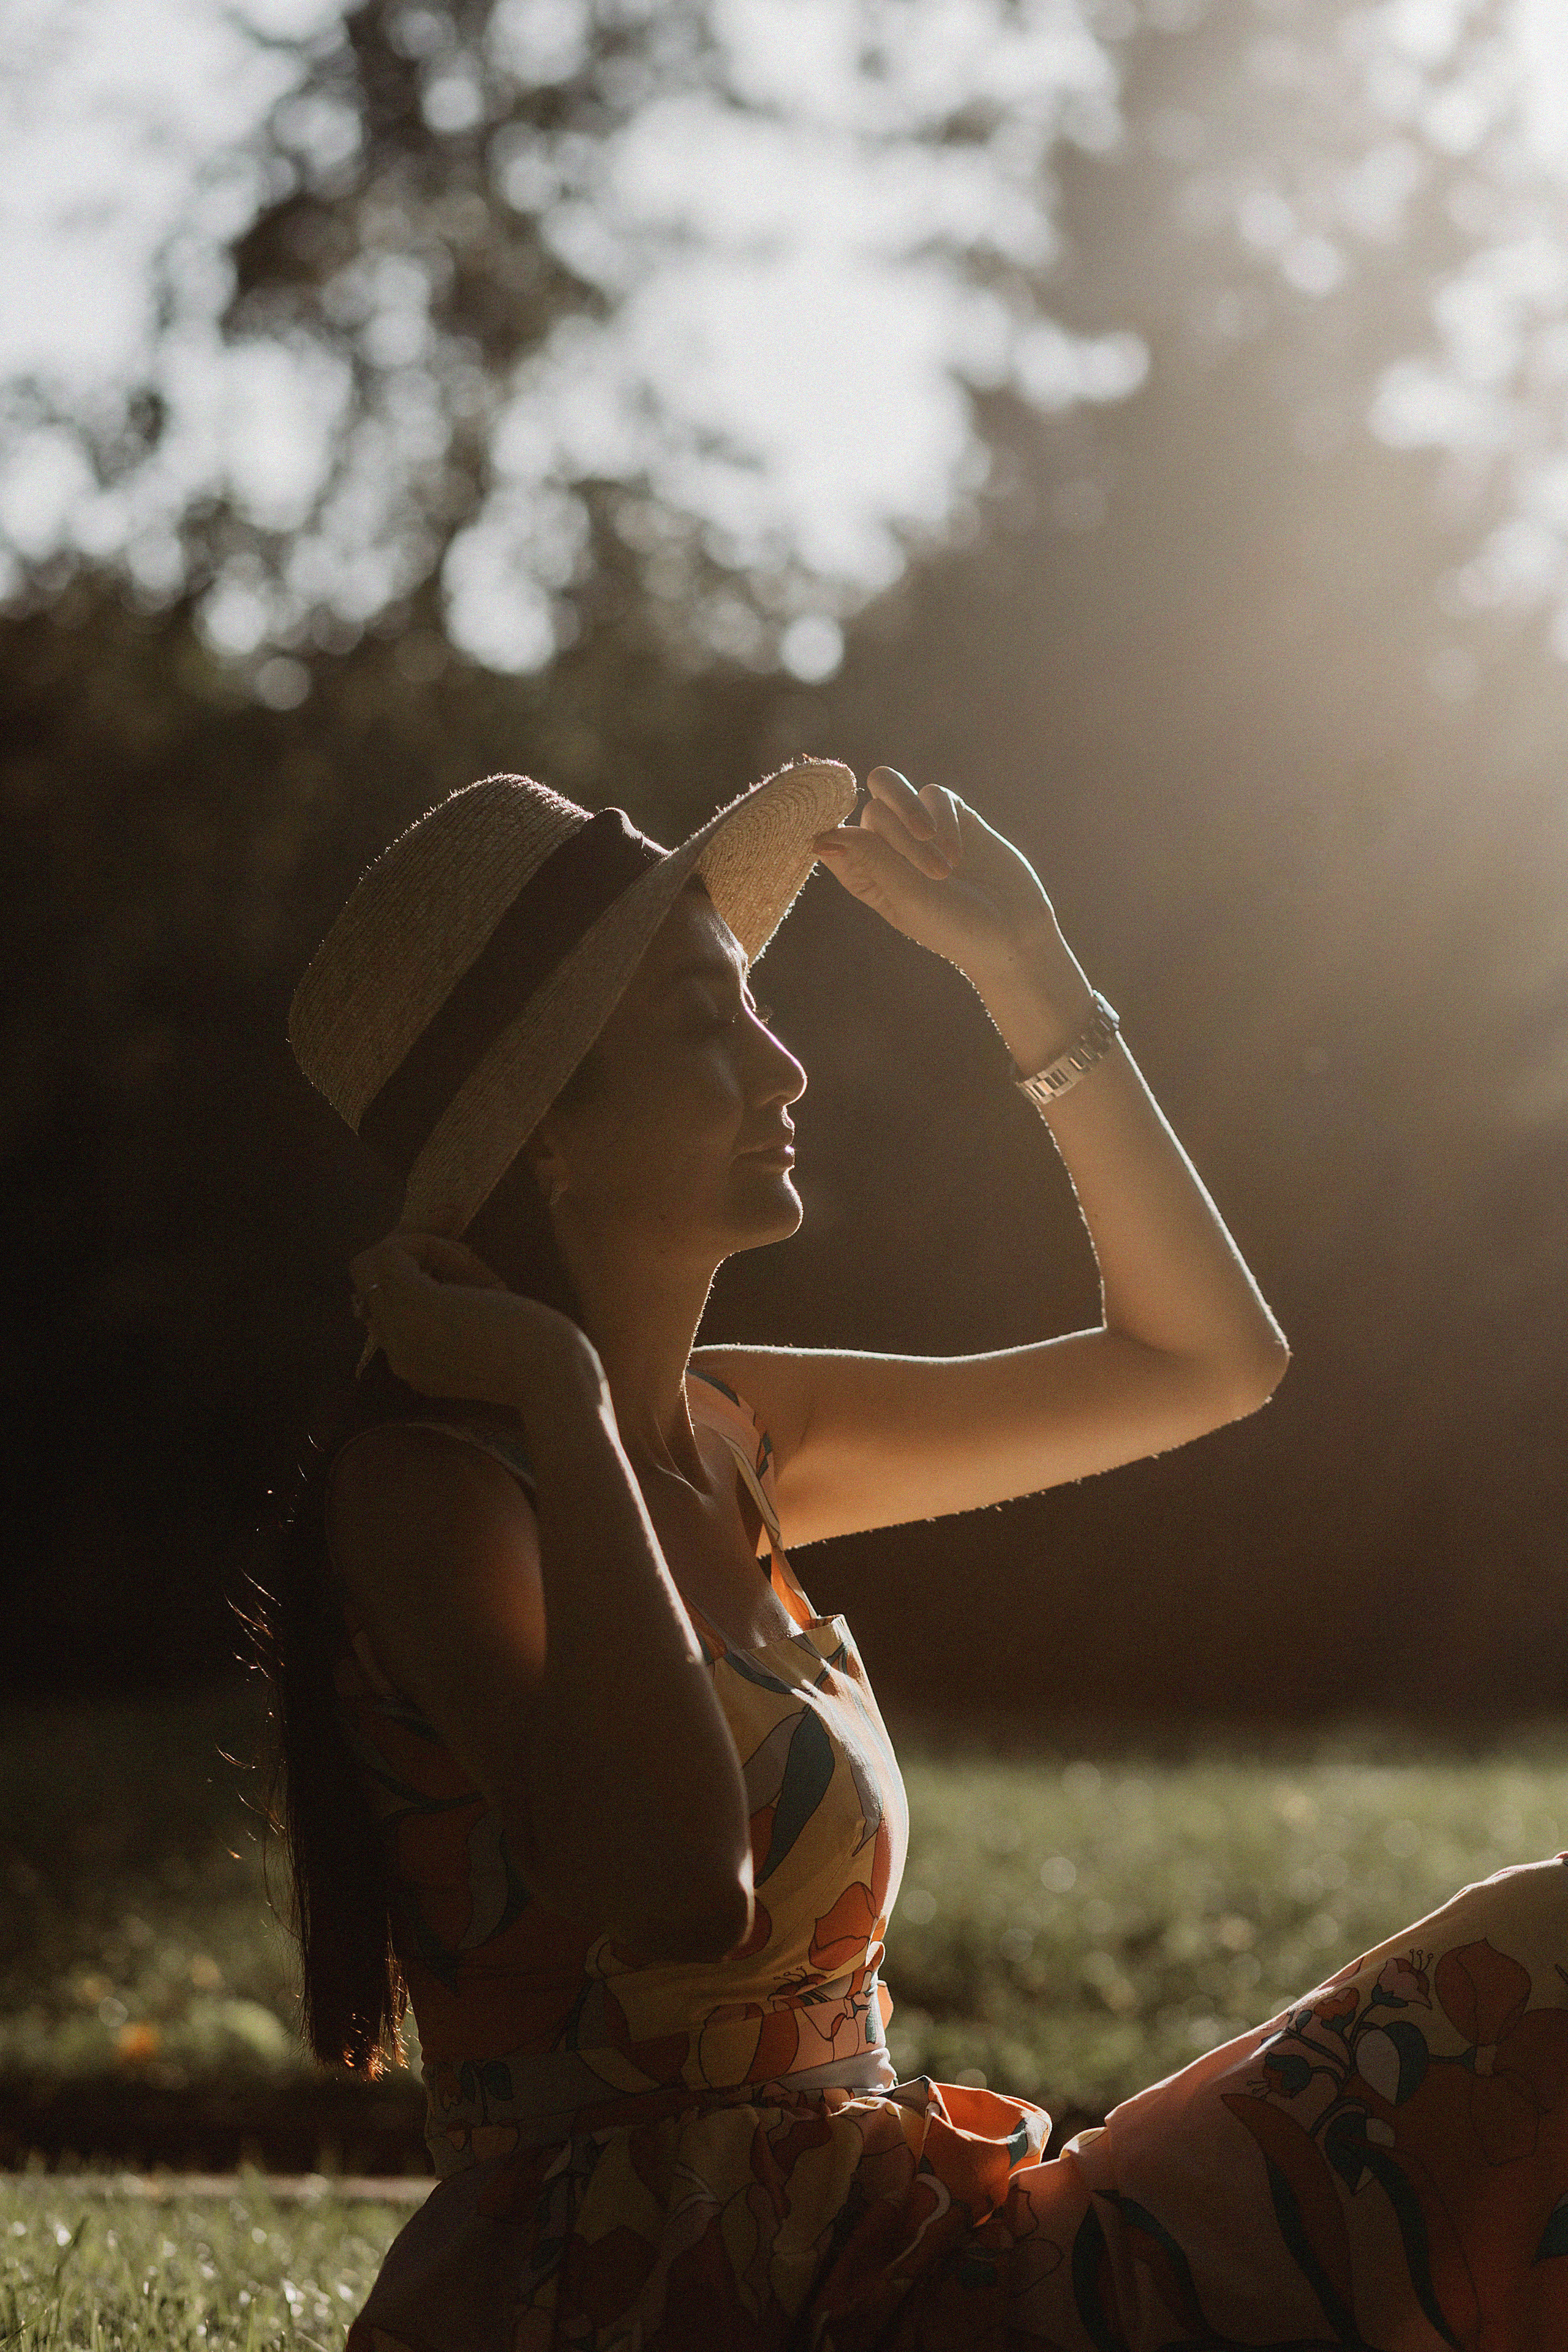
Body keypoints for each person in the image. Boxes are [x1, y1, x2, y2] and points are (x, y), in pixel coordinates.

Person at [266, 756, 1568, 2350]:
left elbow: (1203, 1361)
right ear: (551, 1139)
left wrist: (1028, 972)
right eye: (703, 1021)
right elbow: (678, 1888)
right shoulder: (433, 1489)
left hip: (912, 2257)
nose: (783, 1065)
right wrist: (557, 1396)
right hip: (658, 2300)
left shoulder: (733, 1432)